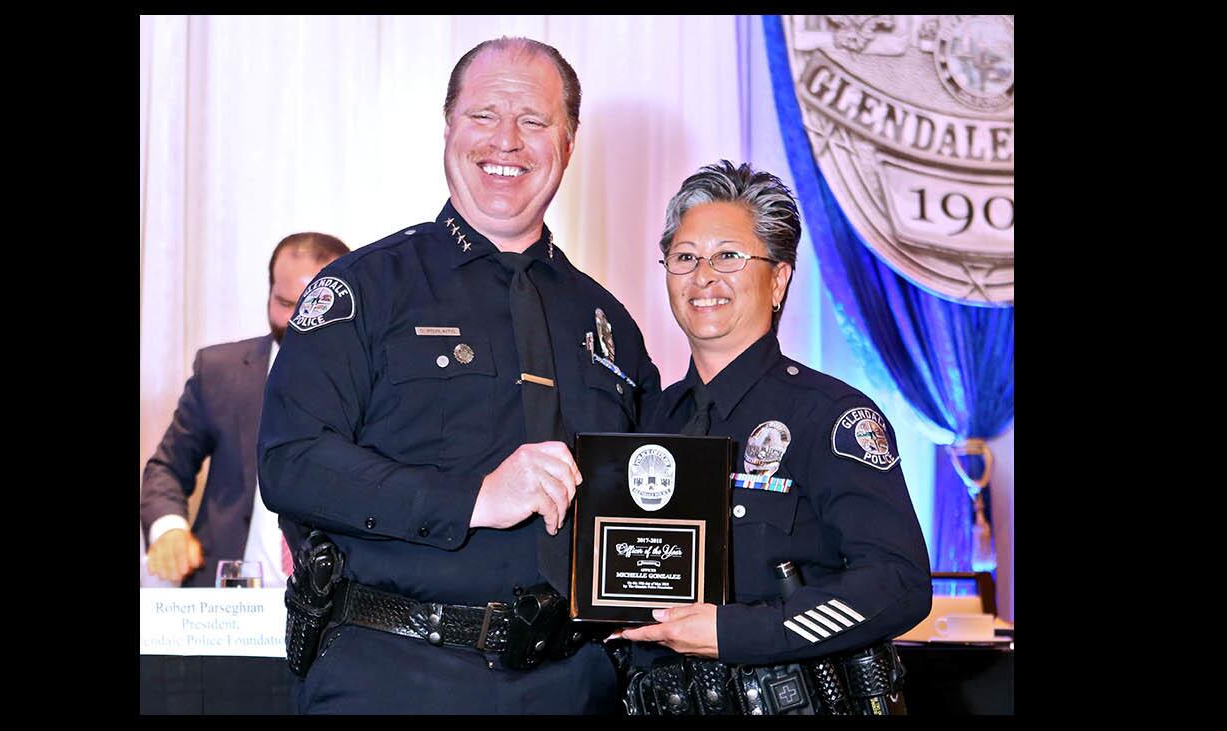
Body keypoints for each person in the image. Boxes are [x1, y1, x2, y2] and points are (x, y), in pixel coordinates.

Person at [258, 37, 661, 714]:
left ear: (567, 142)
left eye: (533, 121)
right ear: (448, 129)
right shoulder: (363, 288)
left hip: (576, 685)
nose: (506, 140)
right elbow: (291, 461)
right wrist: (473, 497)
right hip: (394, 678)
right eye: (483, 115)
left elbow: (653, 501)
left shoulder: (609, 322)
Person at [612, 161, 931, 715]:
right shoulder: (648, 424)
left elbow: (898, 583)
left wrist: (741, 632)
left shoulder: (831, 417)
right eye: (685, 257)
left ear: (779, 278)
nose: (703, 276)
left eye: (728, 256)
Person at [141, 232, 350, 589]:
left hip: (330, 605)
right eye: (285, 303)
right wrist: (169, 530)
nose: (298, 322)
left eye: (313, 307)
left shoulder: (377, 386)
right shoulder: (220, 372)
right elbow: (166, 470)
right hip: (227, 607)